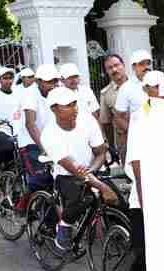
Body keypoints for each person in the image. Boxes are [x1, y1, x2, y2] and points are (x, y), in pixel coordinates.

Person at [117, 70, 164, 271]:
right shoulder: (143, 119)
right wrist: (150, 209)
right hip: (145, 202)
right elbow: (140, 170)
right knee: (148, 254)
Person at [41, 87, 116, 251]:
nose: (74, 108)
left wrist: (92, 171)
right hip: (67, 175)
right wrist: (102, 187)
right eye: (67, 105)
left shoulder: (87, 120)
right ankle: (64, 224)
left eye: (74, 103)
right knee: (86, 198)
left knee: (120, 201)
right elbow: (74, 170)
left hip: (91, 169)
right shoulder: (49, 134)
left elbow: (100, 152)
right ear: (54, 109)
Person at [19, 64, 59, 192]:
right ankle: (23, 206)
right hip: (31, 143)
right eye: (48, 82)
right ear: (38, 82)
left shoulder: (57, 93)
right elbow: (30, 124)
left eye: (54, 81)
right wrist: (43, 148)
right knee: (40, 180)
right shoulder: (30, 94)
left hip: (52, 141)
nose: (52, 85)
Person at [0, 67, 22, 173]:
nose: (9, 81)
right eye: (5, 78)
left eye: (11, 78)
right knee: (8, 146)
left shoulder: (18, 93)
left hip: (16, 129)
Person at [114, 50, 152, 139]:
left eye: (148, 63)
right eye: (142, 64)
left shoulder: (160, 82)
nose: (146, 67)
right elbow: (119, 117)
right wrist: (134, 134)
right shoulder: (126, 88)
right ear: (134, 67)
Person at [99, 54, 129, 160]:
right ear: (106, 71)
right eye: (110, 68)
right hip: (125, 143)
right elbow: (106, 123)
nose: (114, 69)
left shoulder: (140, 86)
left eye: (117, 65)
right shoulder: (105, 94)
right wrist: (112, 147)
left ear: (123, 65)